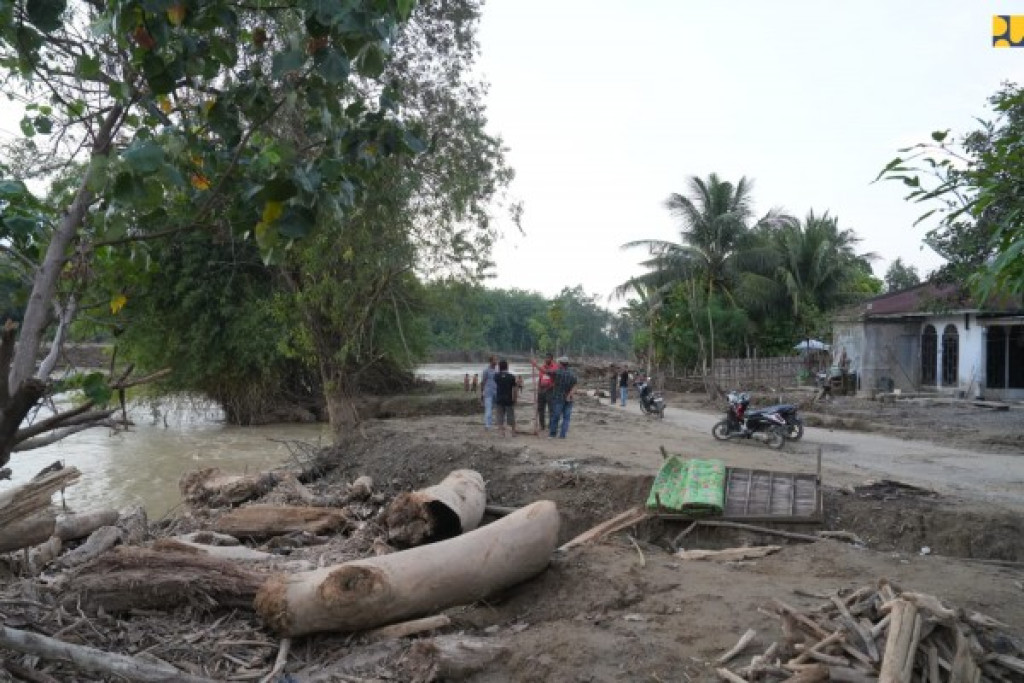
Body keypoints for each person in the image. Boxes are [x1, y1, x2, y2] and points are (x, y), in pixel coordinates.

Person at [534, 356, 577, 438]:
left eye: (558, 363)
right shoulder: (572, 374)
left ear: (561, 364)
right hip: (569, 399)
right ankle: (563, 435)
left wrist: (535, 365)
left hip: (558, 398)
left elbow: (544, 371)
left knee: (555, 416)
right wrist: (570, 394)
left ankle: (552, 434)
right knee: (566, 418)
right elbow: (575, 385)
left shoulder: (557, 372)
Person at [494, 359, 518, 437]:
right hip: (508, 399)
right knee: (511, 416)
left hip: (499, 398)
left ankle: (501, 433)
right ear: (507, 367)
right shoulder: (511, 377)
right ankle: (513, 432)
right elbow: (514, 389)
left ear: (499, 367)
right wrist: (515, 399)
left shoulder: (496, 376)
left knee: (500, 416)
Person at [536, 353, 557, 431]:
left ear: (551, 359)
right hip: (541, 390)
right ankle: (542, 425)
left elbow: (556, 380)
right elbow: (540, 378)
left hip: (550, 391)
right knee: (540, 409)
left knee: (551, 409)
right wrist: (538, 388)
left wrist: (551, 386)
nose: (546, 359)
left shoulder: (555, 367)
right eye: (545, 358)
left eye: (548, 358)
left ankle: (551, 425)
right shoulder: (542, 367)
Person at [479, 356, 498, 429]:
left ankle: (498, 423)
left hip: (496, 391)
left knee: (498, 408)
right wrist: (482, 392)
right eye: (494, 360)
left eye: (496, 360)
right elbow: (483, 382)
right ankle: (488, 425)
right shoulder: (486, 371)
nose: (496, 361)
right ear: (490, 361)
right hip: (488, 392)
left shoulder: (497, 371)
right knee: (488, 408)